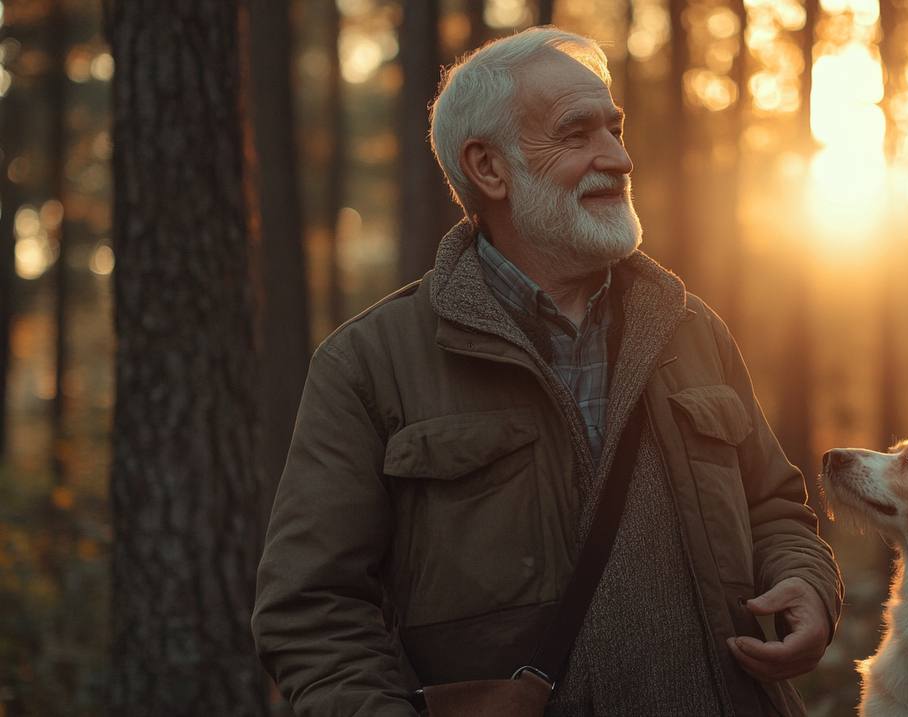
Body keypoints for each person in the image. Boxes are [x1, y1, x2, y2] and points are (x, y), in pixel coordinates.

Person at [251, 26, 843, 717]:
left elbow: (773, 504)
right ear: (490, 169)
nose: (619, 158)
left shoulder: (692, 329)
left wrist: (806, 582)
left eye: (615, 129)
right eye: (577, 134)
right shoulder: (366, 366)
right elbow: (311, 610)